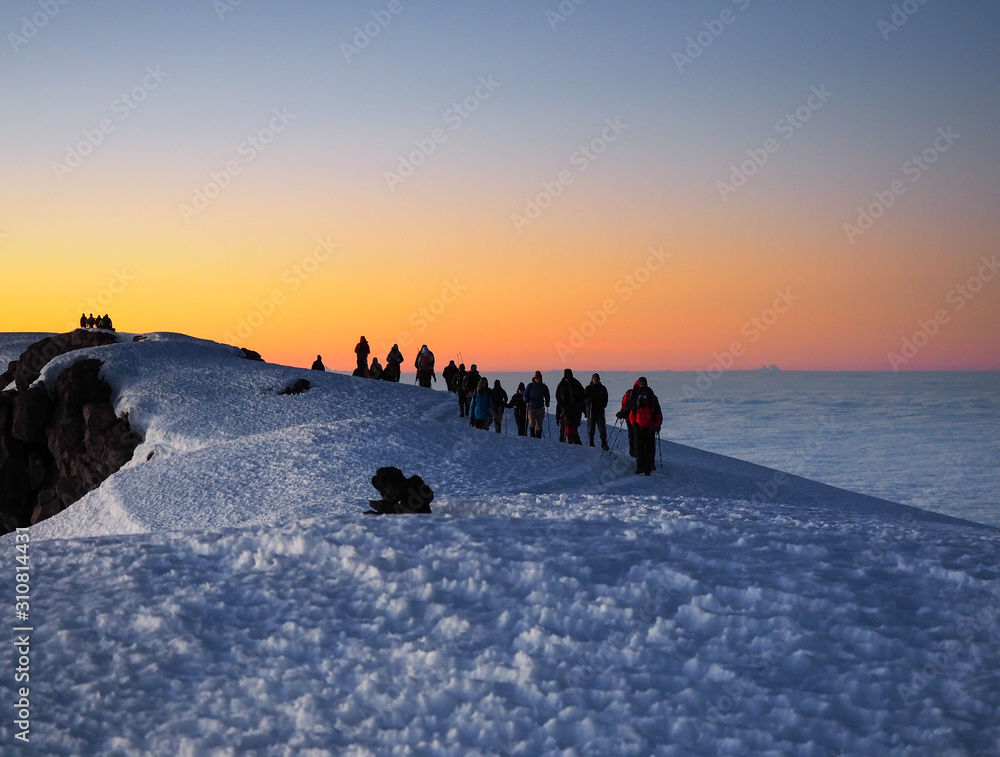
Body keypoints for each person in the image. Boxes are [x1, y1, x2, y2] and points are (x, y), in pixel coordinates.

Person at [624, 376, 662, 475]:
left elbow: (658, 415)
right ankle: (643, 467)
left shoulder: (652, 399)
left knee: (646, 447)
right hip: (641, 426)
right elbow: (632, 412)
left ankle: (646, 467)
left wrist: (655, 425)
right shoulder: (638, 399)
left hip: (648, 427)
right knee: (642, 447)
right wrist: (634, 425)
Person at [365, 466, 434, 514]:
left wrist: (382, 510)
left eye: (387, 490)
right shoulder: (412, 487)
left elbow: (405, 513)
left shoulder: (414, 495)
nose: (386, 496)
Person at [555, 368, 585, 445]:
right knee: (567, 424)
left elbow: (582, 395)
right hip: (566, 407)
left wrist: (582, 407)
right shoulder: (562, 384)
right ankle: (570, 439)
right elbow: (558, 396)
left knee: (574, 424)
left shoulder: (576, 383)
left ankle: (572, 439)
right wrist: (561, 406)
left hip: (575, 408)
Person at [584, 373, 610, 450]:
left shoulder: (602, 388)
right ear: (592, 379)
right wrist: (589, 400)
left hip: (600, 410)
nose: (596, 380)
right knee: (591, 428)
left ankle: (604, 443)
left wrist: (604, 404)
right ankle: (591, 443)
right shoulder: (588, 388)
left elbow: (606, 397)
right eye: (594, 378)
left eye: (597, 378)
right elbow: (584, 399)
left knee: (602, 428)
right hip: (591, 410)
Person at [523, 371, 550, 438]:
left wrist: (547, 402)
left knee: (539, 423)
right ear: (534, 379)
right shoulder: (530, 386)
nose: (538, 380)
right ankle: (532, 435)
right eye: (537, 378)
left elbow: (547, 395)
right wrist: (526, 399)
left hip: (540, 407)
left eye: (539, 379)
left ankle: (538, 436)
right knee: (532, 422)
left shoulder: (544, 387)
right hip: (531, 407)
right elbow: (525, 394)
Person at [616, 381, 639, 457]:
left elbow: (624, 405)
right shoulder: (640, 394)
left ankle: (633, 450)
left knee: (632, 434)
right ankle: (635, 450)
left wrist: (622, 413)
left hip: (629, 417)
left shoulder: (630, 393)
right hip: (635, 418)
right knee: (635, 435)